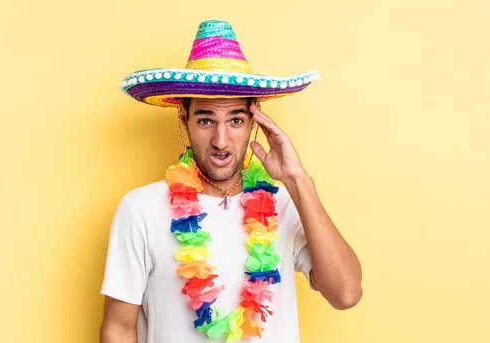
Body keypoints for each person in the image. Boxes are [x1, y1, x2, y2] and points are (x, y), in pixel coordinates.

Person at [99, 20, 362, 343]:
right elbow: (119, 329)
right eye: (206, 119)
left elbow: (346, 294)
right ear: (184, 120)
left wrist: (298, 180)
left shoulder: (284, 203)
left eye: (235, 120)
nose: (221, 141)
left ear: (255, 120)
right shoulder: (140, 209)